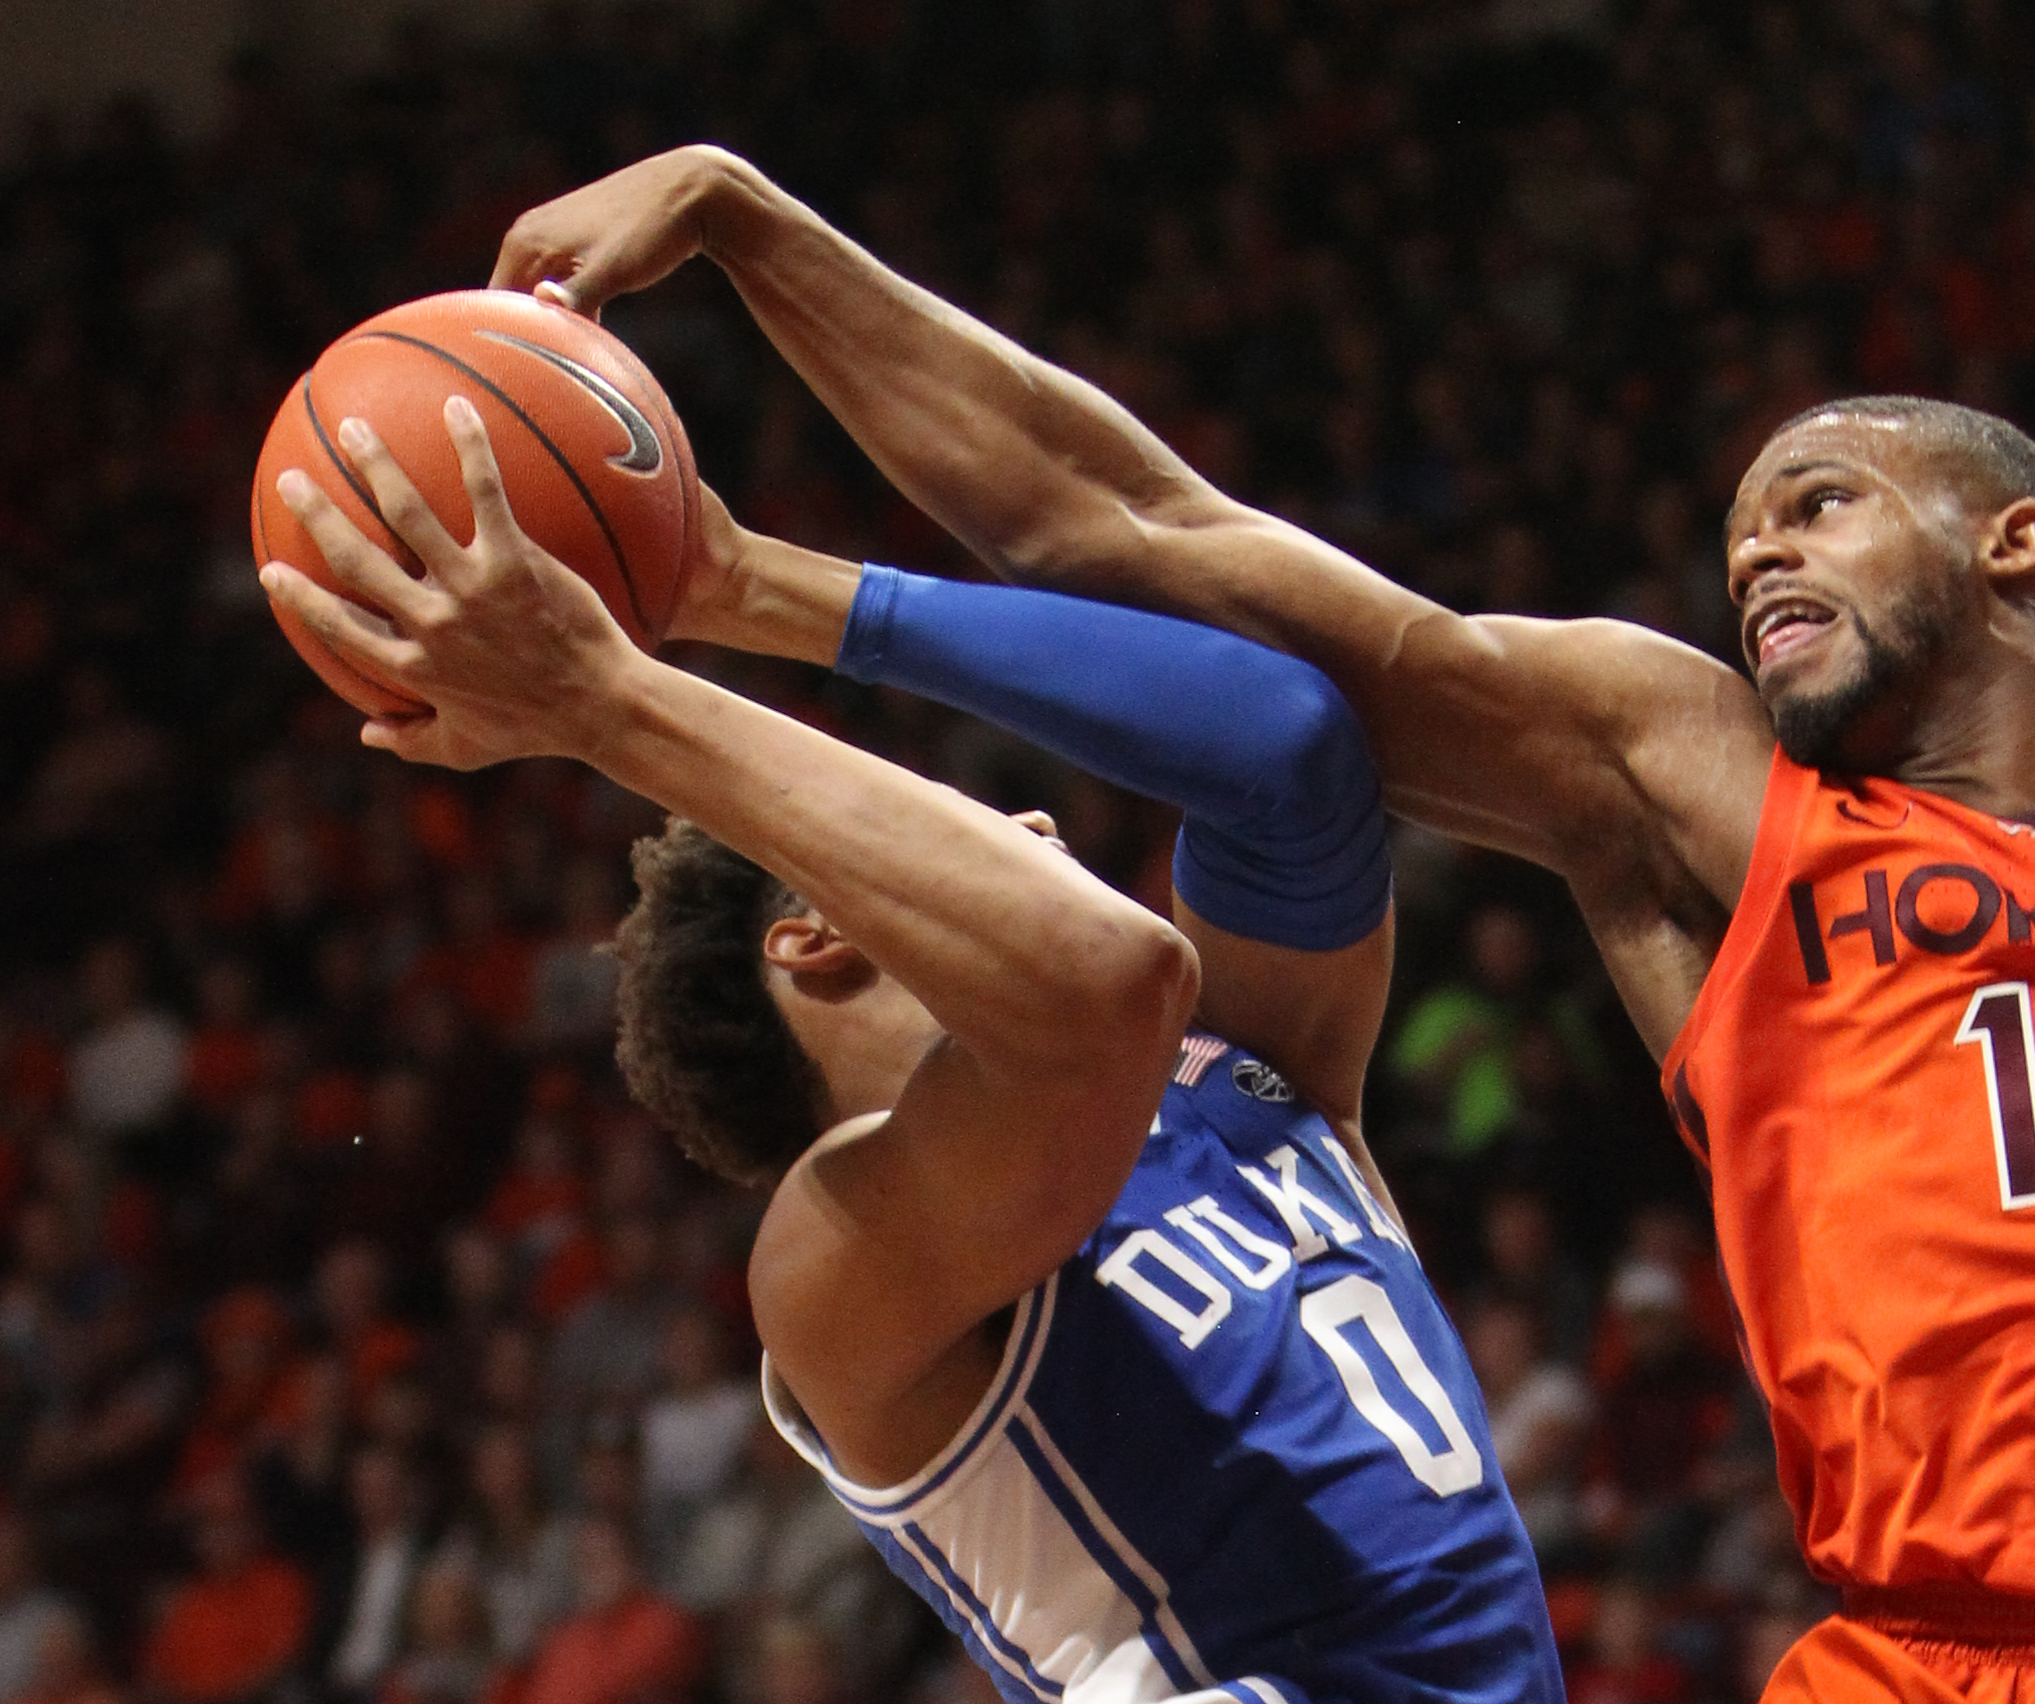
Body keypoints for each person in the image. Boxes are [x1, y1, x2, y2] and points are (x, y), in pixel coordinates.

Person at [489, 144, 2035, 1704]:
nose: (1756, 556)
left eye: (1813, 500)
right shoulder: (1698, 797)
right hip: (1936, 1653)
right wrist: (746, 241)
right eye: (1734, 536)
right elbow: (1136, 523)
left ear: (2017, 543)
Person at [256, 401, 1562, 1702]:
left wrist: (753, 588)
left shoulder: (1234, 1062)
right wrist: (603, 703)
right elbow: (1102, 978)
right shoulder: (838, 1255)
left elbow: (1290, 746)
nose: (1037, 813)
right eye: (967, 815)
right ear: (818, 929)